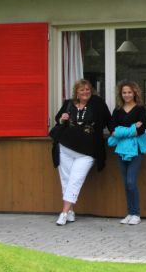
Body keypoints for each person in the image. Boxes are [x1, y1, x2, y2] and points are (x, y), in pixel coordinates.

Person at [53, 79, 110, 226]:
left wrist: (119, 132)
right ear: (76, 92)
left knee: (75, 180)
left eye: (87, 89)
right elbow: (58, 119)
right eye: (82, 90)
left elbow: (109, 121)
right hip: (65, 148)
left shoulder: (97, 103)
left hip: (87, 152)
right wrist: (62, 119)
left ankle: (64, 212)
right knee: (66, 180)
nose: (85, 92)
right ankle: (70, 212)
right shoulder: (68, 103)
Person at [108, 80, 146, 225]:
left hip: (136, 150)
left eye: (129, 92)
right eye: (124, 92)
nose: (127, 95)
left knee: (131, 181)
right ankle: (130, 213)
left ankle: (136, 214)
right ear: (121, 94)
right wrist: (132, 128)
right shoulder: (117, 110)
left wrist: (121, 131)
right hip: (121, 150)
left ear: (134, 93)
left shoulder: (140, 109)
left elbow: (141, 130)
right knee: (126, 183)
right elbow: (113, 130)